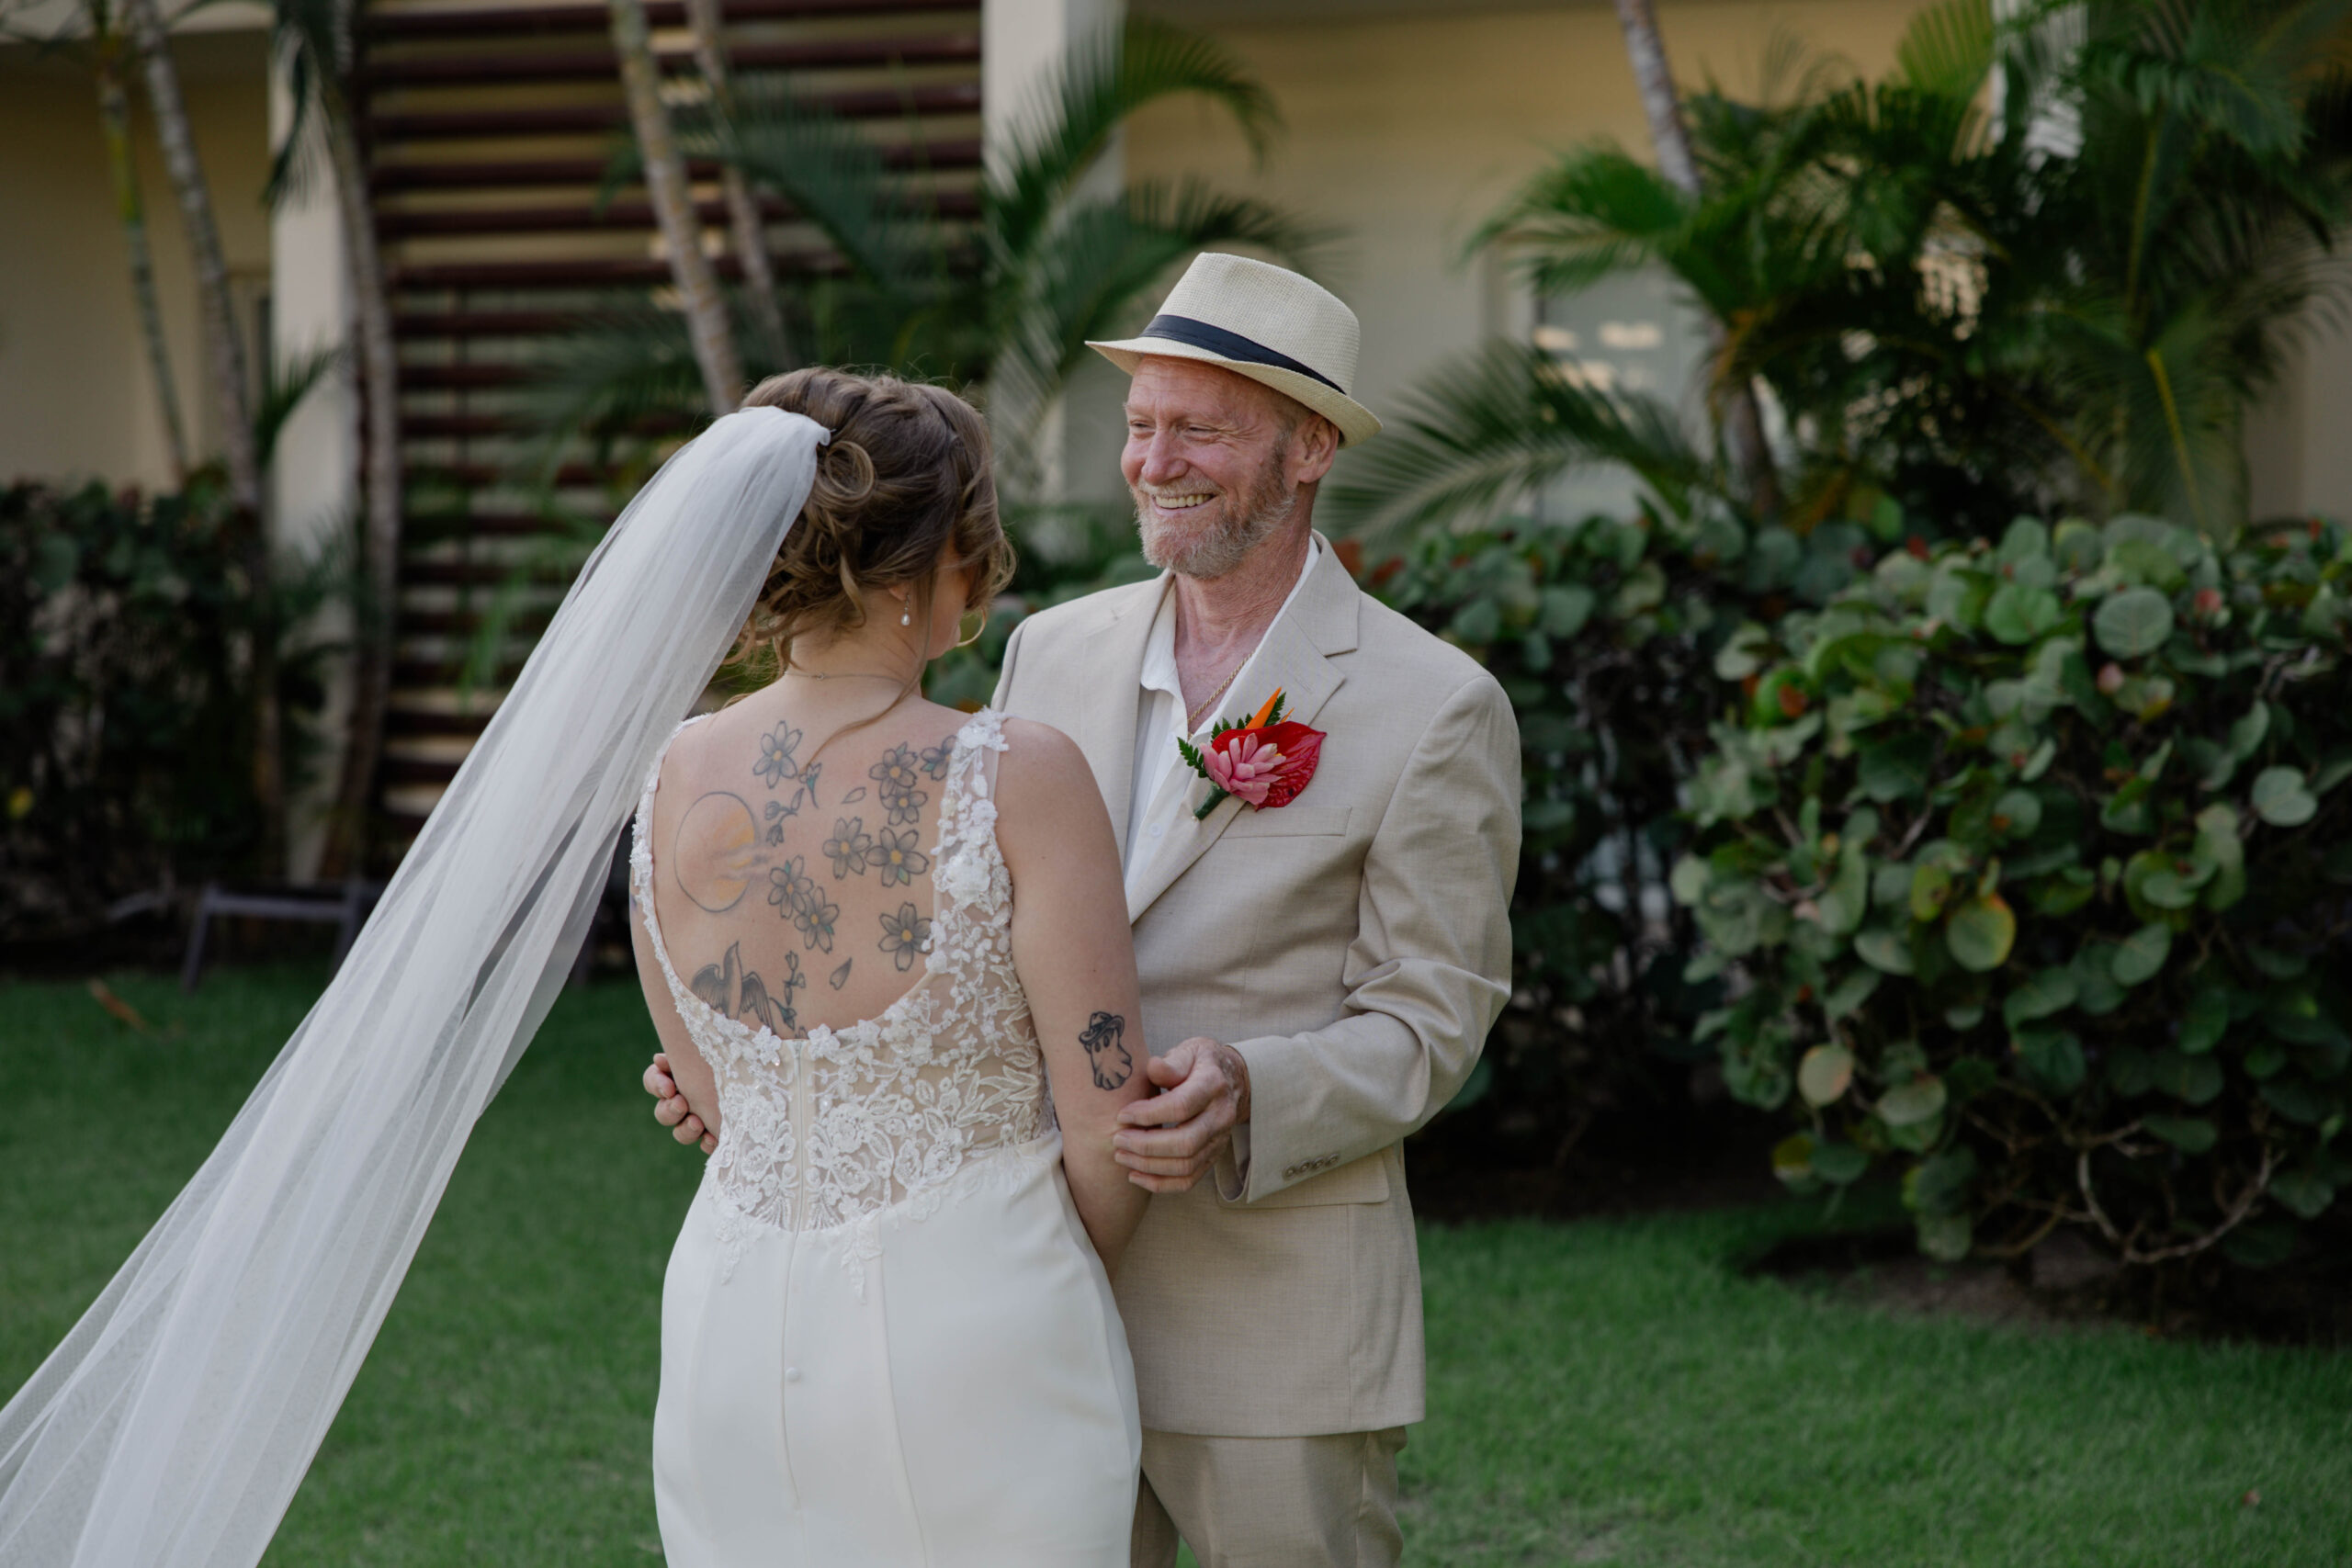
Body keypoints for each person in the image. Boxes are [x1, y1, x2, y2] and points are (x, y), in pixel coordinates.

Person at [650, 254, 1522, 1566]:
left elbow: (1433, 1016)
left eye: (1201, 430)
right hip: (998, 1308)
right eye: (1140, 424)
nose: (1155, 460)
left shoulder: (1433, 703)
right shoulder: (1050, 649)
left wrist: (1253, 1085)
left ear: (1310, 449)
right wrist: (783, 1081)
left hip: (1262, 1314)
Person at [632, 368, 1152, 1566]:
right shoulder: (1015, 772)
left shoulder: (668, 777)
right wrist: (1043, 1276)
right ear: (939, 560)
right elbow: (1111, 1117)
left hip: (731, 1320)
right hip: (984, 1323)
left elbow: (710, 1095)